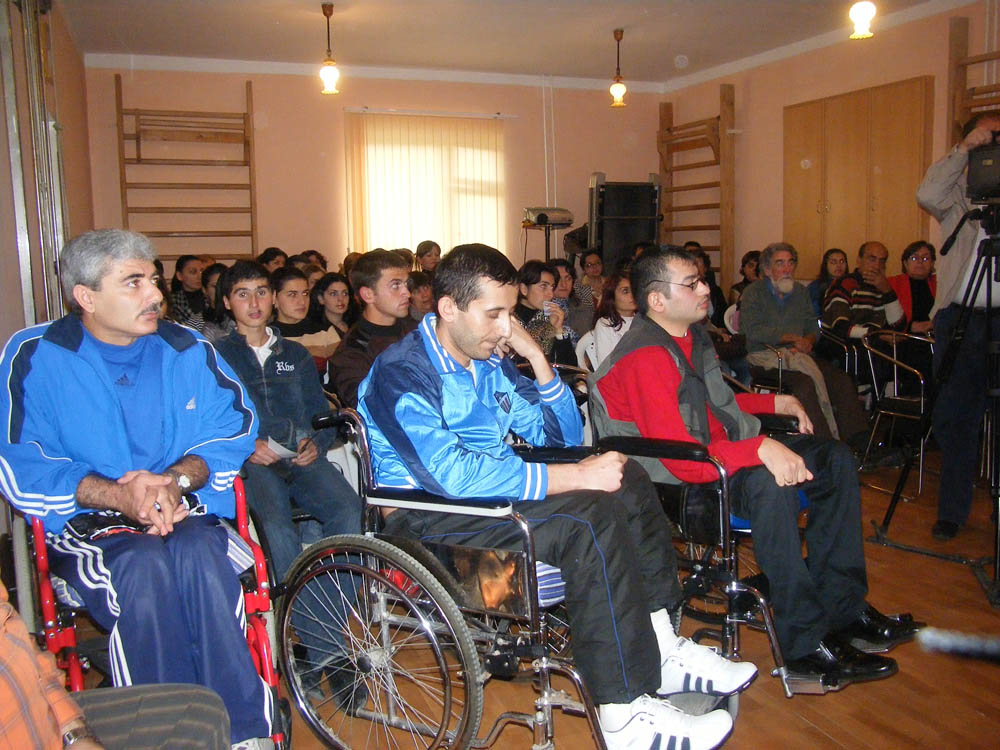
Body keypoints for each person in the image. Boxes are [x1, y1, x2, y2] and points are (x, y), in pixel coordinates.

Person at [357, 243, 759, 750]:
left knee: (626, 476)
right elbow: (451, 476)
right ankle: (622, 715)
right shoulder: (403, 372)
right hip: (428, 524)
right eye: (494, 314)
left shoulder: (488, 361)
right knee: (589, 515)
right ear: (448, 308)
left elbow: (564, 438)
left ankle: (659, 644)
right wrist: (571, 478)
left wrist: (536, 358)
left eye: (510, 314)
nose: (506, 327)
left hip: (489, 505)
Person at [591, 246, 920, 692]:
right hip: (677, 488)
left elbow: (713, 407)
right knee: (770, 482)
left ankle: (845, 608)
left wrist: (775, 403)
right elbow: (684, 459)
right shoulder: (645, 356)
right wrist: (761, 447)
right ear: (657, 300)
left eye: (702, 279)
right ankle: (804, 645)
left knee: (835, 458)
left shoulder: (690, 336)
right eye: (692, 283)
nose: (705, 289)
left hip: (717, 458)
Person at [0, 230, 272, 748]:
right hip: (90, 524)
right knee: (143, 568)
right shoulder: (36, 355)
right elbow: (20, 463)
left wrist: (176, 480)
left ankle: (242, 732)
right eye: (133, 282)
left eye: (153, 279)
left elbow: (234, 429)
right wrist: (118, 495)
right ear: (86, 296)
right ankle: (167, 733)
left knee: (202, 559)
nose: (154, 294)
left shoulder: (186, 348)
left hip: (186, 509)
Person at [214, 262, 362, 691]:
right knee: (277, 531)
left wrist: (318, 440)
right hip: (250, 463)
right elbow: (210, 419)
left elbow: (320, 412)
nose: (254, 302)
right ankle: (329, 651)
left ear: (274, 298)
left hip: (301, 457)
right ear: (227, 302)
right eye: (243, 294)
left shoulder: (294, 355)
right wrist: (246, 445)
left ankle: (314, 642)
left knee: (350, 512)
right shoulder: (215, 356)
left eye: (262, 292)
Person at [0, 576, 232, 750]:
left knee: (202, 715)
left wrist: (73, 732)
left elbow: (23, 646)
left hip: (41, 715)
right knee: (141, 570)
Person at [916, 110, 1000, 540]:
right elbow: (926, 192)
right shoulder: (958, 199)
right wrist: (965, 148)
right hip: (961, 321)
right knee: (956, 420)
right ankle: (952, 512)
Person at [741, 243, 870, 449]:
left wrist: (809, 341)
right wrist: (791, 338)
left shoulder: (800, 291)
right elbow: (751, 330)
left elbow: (813, 325)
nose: (787, 269)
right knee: (805, 384)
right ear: (767, 269)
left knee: (840, 380)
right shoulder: (752, 292)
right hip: (766, 357)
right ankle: (825, 445)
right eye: (780, 263)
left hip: (800, 354)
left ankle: (858, 441)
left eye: (790, 263)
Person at [326, 249, 416, 407]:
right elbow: (371, 407)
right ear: (368, 295)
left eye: (406, 284)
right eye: (395, 285)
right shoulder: (352, 353)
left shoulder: (417, 330)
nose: (407, 293)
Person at [270, 266, 340, 365]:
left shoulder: (325, 332)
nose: (302, 302)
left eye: (305, 294)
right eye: (293, 295)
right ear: (274, 298)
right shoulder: (267, 336)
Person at [514, 260, 576, 365]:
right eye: (543, 286)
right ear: (524, 289)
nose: (550, 294)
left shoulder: (548, 318)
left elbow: (569, 367)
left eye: (552, 287)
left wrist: (558, 330)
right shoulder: (508, 318)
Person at [888, 241, 937, 336]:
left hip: (934, 337)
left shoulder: (941, 285)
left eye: (925, 258)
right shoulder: (891, 284)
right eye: (914, 258)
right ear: (905, 263)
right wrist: (910, 326)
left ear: (932, 263)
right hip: (902, 337)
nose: (920, 261)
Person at [591, 272, 637, 370]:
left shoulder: (645, 321)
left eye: (634, 290)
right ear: (612, 297)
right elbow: (605, 366)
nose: (632, 295)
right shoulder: (605, 324)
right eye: (625, 291)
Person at [685, 243, 727, 329]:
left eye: (699, 265)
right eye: (693, 266)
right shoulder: (685, 291)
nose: (696, 270)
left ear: (705, 268)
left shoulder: (716, 291)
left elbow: (723, 315)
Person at [550, 257, 594, 337]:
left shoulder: (584, 309)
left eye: (568, 279)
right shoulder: (541, 311)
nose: (564, 284)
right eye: (558, 279)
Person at [310, 271, 355, 337]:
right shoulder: (315, 331)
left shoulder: (355, 325)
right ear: (321, 299)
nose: (340, 299)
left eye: (344, 293)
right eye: (333, 294)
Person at [170, 254, 207, 331]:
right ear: (179, 276)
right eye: (193, 272)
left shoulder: (209, 296)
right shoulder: (173, 301)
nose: (199, 276)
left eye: (202, 271)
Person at [807, 249, 849, 316]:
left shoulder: (852, 286)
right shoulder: (815, 287)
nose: (838, 265)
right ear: (826, 265)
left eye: (842, 261)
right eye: (833, 262)